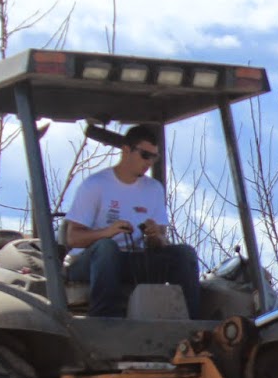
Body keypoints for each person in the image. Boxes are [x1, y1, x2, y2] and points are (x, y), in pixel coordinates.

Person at [63, 124, 200, 318]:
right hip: (92, 262)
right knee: (107, 248)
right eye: (145, 155)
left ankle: (193, 324)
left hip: (132, 260)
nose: (149, 162)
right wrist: (107, 233)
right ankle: (104, 321)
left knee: (184, 254)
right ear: (126, 150)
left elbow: (161, 241)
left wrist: (154, 236)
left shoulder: (154, 189)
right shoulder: (95, 185)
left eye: (154, 157)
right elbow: (73, 238)